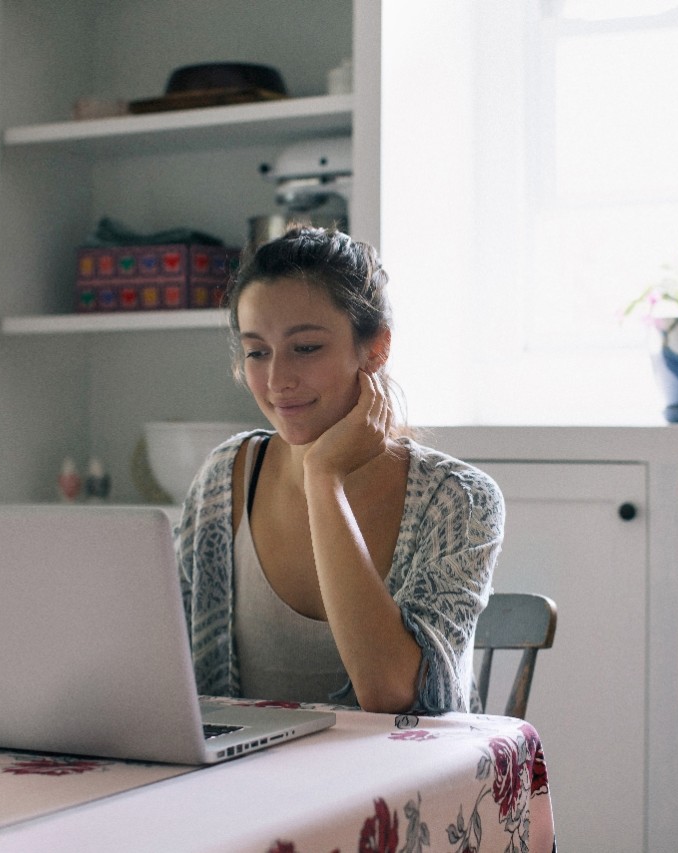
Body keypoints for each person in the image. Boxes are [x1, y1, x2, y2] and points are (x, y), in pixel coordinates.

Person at [175, 226, 504, 715]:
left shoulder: (460, 500)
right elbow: (163, 666)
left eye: (305, 348)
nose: (278, 380)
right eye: (257, 352)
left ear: (374, 349)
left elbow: (394, 696)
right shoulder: (226, 478)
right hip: (243, 786)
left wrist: (324, 479)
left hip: (398, 784)